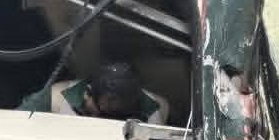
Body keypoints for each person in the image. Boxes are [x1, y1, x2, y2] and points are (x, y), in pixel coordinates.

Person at [19, 60, 170, 124]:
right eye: (101, 113)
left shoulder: (158, 108)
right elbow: (12, 123)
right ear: (87, 93)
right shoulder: (56, 98)